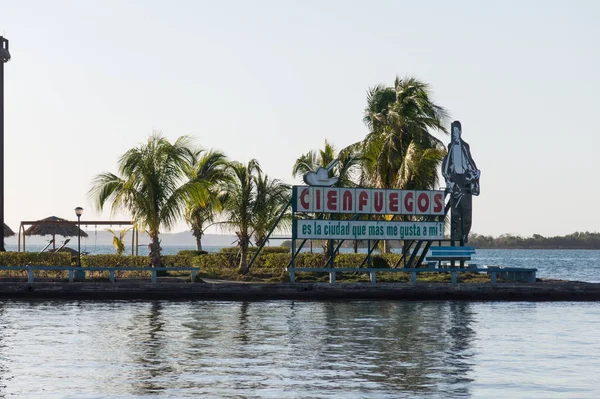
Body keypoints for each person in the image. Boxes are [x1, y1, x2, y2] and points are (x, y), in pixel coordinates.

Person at [442, 121, 480, 243]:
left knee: (466, 210)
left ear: (460, 132)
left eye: (457, 132)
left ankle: (465, 234)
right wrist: (448, 179)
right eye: (453, 132)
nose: (455, 134)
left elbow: (470, 161)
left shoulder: (465, 146)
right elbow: (446, 164)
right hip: (454, 179)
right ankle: (456, 235)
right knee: (456, 211)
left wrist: (475, 174)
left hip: (465, 179)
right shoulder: (450, 147)